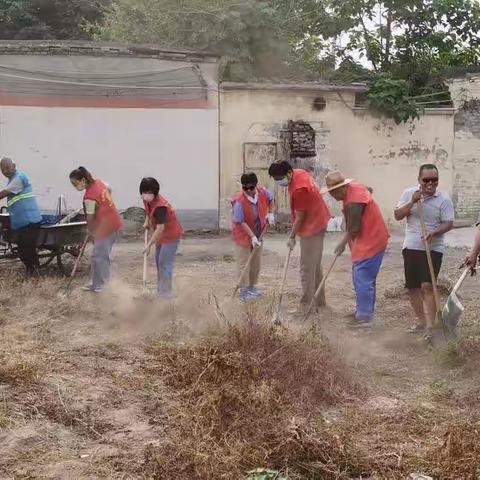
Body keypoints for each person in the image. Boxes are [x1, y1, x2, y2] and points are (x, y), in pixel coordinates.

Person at [322, 171, 389, 327]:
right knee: (362, 277)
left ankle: (364, 318)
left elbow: (353, 230)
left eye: (333, 192)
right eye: (330, 192)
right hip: (374, 237)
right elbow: (369, 190)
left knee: (363, 277)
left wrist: (341, 244)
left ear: (343, 187)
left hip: (371, 240)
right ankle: (363, 312)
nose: (332, 195)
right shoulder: (355, 188)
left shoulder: (353, 202)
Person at [394, 164, 454, 336]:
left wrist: (434, 232)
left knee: (427, 286)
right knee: (412, 288)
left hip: (433, 248)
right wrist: (412, 202)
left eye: (434, 180)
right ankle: (421, 322)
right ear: (419, 180)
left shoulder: (444, 199)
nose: (430, 183)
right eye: (426, 180)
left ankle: (431, 326)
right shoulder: (409, 193)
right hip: (411, 246)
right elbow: (398, 215)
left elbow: (449, 223)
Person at [268, 161, 331, 315]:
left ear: (289, 172)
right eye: (276, 179)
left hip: (313, 227)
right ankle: (319, 301)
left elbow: (300, 216)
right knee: (315, 264)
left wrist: (292, 236)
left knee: (306, 268)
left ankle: (306, 306)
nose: (279, 182)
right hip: (319, 221)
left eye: (280, 178)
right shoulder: (299, 173)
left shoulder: (299, 189)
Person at [69, 167, 123, 293]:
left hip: (107, 227)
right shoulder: (99, 183)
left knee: (101, 256)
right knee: (95, 256)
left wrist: (90, 229)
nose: (74, 187)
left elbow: (90, 217)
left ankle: (105, 285)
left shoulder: (89, 197)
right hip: (110, 223)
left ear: (83, 180)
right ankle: (95, 283)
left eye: (75, 183)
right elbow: (108, 189)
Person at [231, 172, 275, 301]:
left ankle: (251, 286)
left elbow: (271, 199)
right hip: (243, 234)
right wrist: (252, 237)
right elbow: (241, 221)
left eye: (251, 187)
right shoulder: (238, 201)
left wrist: (270, 213)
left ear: (256, 185)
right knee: (244, 262)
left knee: (255, 262)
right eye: (245, 188)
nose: (249, 191)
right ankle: (243, 290)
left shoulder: (262, 192)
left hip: (259, 232)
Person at [140, 177, 183, 299]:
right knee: (160, 262)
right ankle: (162, 291)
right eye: (144, 192)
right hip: (160, 235)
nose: (146, 195)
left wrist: (148, 245)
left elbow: (160, 228)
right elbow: (148, 210)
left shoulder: (160, 206)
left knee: (165, 263)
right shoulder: (146, 199)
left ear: (155, 192)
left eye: (149, 192)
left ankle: (165, 296)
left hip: (171, 235)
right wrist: (147, 220)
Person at [0, 157, 42, 277]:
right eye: (3, 169)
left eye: (7, 168)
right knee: (23, 251)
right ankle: (31, 272)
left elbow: (3, 194)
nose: (5, 171)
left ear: (14, 166)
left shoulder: (19, 178)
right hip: (22, 223)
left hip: (30, 221)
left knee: (28, 250)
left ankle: (36, 274)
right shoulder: (12, 180)